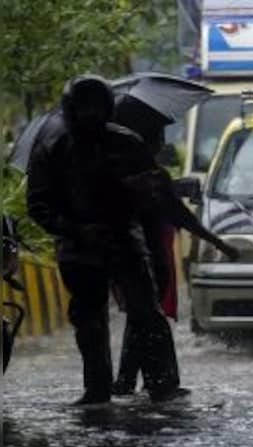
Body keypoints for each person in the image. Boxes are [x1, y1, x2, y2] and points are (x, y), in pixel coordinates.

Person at [26, 75, 187, 404]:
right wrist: (74, 229)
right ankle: (97, 389)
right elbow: (39, 205)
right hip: (79, 248)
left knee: (147, 314)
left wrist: (151, 237)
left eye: (97, 108)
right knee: (89, 321)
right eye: (85, 108)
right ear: (72, 111)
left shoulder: (127, 143)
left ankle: (162, 385)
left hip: (125, 242)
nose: (91, 115)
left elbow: (153, 195)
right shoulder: (52, 151)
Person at [110, 93, 238, 395]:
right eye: (157, 135)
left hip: (132, 259)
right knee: (150, 320)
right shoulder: (147, 177)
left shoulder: (123, 172)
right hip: (143, 259)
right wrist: (220, 245)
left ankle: (127, 380)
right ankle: (160, 382)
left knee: (141, 319)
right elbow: (182, 216)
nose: (162, 142)